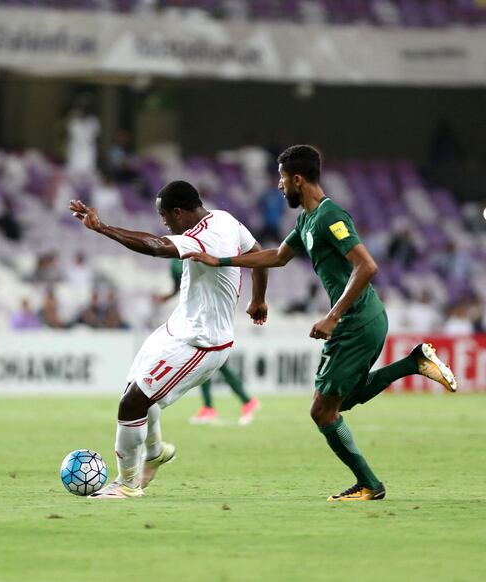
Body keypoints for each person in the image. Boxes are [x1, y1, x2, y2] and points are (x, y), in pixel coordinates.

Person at [185, 145, 457, 502]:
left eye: (282, 178)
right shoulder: (307, 220)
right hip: (360, 318)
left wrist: (333, 316)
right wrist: (219, 260)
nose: (279, 186)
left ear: (297, 179)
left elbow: (367, 266)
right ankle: (414, 362)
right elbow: (277, 256)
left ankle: (370, 485)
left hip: (356, 320)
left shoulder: (331, 216)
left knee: (322, 411)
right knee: (338, 403)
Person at [69, 180, 268, 498]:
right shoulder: (225, 219)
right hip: (178, 329)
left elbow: (157, 247)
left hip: (202, 342)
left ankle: (127, 485)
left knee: (131, 404)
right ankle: (156, 451)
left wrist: (103, 227)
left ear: (178, 212)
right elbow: (258, 254)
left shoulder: (206, 236)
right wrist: (258, 299)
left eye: (165, 217)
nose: (164, 224)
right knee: (134, 393)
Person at [157, 258, 260, 425]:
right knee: (213, 364)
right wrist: (166, 297)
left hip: (210, 314)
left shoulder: (197, 253)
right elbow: (178, 287)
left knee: (210, 362)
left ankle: (216, 406)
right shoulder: (174, 262)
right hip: (193, 317)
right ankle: (241, 402)